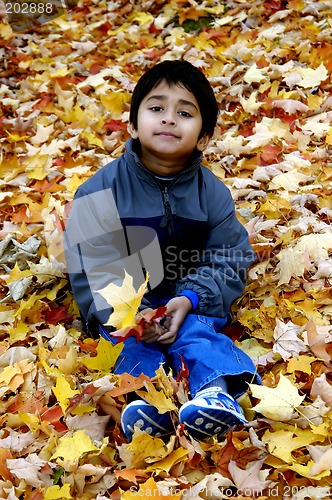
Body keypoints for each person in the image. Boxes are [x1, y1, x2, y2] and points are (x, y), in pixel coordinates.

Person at [64, 60, 260, 442]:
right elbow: (92, 269)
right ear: (134, 125)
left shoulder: (212, 193)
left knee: (198, 334)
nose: (169, 119)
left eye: (184, 113)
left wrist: (190, 298)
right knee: (132, 346)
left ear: (203, 137)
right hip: (126, 309)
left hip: (190, 299)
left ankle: (215, 394)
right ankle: (143, 403)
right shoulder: (98, 192)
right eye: (157, 109)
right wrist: (133, 317)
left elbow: (229, 256)